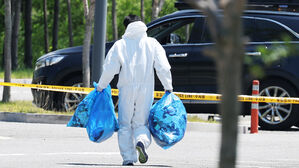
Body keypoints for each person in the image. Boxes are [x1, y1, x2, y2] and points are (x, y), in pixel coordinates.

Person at [97, 14, 173, 166]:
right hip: (146, 89)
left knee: (125, 124)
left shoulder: (120, 45)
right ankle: (141, 142)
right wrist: (168, 87)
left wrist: (101, 86)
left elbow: (109, 69)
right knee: (141, 123)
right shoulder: (152, 43)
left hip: (126, 88)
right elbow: (163, 67)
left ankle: (128, 158)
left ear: (127, 27)